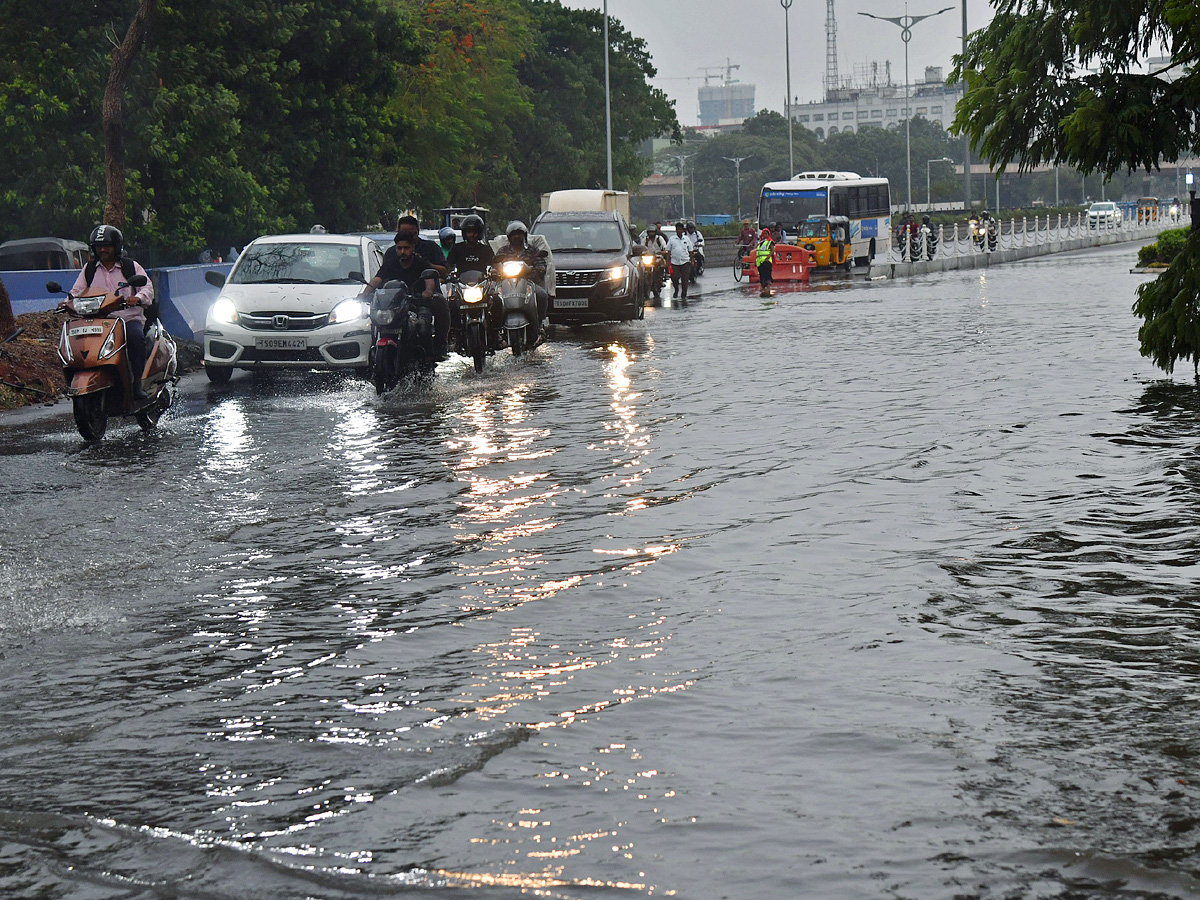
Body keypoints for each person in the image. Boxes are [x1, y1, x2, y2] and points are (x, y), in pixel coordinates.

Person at [68, 225, 154, 400]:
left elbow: (147, 287)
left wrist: (137, 297)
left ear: (117, 246)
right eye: (99, 246)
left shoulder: (130, 266)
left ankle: (137, 382)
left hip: (127, 320)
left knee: (136, 338)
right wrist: (67, 301)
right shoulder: (89, 269)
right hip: (99, 321)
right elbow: (77, 290)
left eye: (107, 245)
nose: (103, 249)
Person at [364, 230, 450, 360]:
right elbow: (377, 279)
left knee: (423, 327)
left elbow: (429, 279)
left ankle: (427, 360)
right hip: (395, 306)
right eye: (399, 248)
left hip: (417, 303)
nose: (403, 251)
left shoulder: (420, 262)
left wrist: (427, 292)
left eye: (406, 248)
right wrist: (365, 294)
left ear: (413, 248)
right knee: (375, 323)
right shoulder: (391, 263)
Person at [491, 220, 549, 331]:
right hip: (506, 284)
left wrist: (538, 269)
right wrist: (494, 271)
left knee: (542, 295)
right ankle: (496, 330)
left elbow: (541, 263)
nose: (517, 237)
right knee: (493, 299)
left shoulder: (532, 251)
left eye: (520, 234)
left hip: (528, 283)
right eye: (514, 235)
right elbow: (495, 263)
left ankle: (540, 323)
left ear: (525, 235)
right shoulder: (503, 251)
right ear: (509, 237)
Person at [395, 214, 448, 279]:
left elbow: (445, 272)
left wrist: (427, 265)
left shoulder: (431, 247)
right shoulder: (391, 253)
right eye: (404, 233)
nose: (403, 251)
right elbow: (381, 276)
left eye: (412, 233)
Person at [664, 221, 693, 299]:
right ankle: (676, 289)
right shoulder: (672, 239)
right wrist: (668, 261)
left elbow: (690, 250)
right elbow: (668, 251)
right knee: (674, 277)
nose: (679, 231)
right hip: (675, 262)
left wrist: (692, 260)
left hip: (685, 261)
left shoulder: (686, 239)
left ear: (683, 230)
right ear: (676, 230)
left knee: (685, 279)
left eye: (681, 229)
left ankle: (684, 294)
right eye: (678, 229)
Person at [755, 227, 775, 296]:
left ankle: (768, 289)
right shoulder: (760, 242)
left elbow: (772, 250)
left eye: (766, 233)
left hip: (766, 262)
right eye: (764, 233)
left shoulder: (770, 242)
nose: (765, 235)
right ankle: (763, 289)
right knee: (761, 277)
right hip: (760, 262)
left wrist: (768, 257)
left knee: (768, 276)